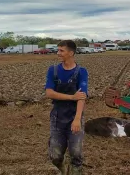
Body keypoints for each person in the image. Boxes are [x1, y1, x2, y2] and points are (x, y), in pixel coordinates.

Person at [44, 40, 88, 175]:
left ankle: (76, 171)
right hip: (57, 117)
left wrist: (77, 119)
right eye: (58, 50)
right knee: (55, 155)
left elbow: (82, 96)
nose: (58, 53)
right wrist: (71, 97)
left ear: (71, 53)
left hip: (74, 115)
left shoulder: (81, 72)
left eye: (61, 51)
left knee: (76, 153)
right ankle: (62, 168)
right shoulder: (53, 70)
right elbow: (49, 93)